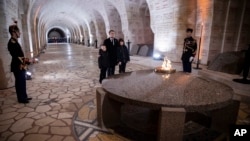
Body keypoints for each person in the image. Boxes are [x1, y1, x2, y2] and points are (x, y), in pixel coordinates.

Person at [7, 21, 32, 103]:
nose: (20, 33)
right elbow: (17, 56)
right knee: (19, 82)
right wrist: (28, 61)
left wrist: (26, 61)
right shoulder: (12, 43)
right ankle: (21, 98)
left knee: (22, 81)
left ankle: (24, 96)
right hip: (17, 65)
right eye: (18, 31)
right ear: (14, 32)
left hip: (21, 65)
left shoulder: (15, 41)